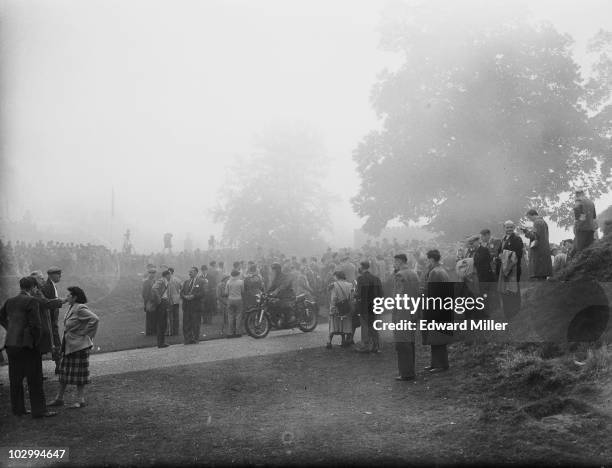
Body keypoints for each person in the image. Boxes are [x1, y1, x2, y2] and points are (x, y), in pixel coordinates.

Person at [0, 277, 57, 418]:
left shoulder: (10, 301)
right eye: (36, 288)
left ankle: (18, 410)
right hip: (28, 345)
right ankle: (39, 411)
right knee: (35, 379)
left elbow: (0, 317)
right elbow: (36, 326)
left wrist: (11, 329)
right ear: (33, 287)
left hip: (12, 344)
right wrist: (36, 341)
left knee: (16, 378)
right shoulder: (32, 301)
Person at [48, 286, 99, 409]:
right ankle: (59, 398)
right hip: (69, 345)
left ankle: (80, 400)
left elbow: (95, 319)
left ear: (75, 297)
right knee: (64, 371)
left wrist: (84, 333)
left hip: (79, 346)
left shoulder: (80, 308)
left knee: (79, 374)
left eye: (68, 296)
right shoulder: (72, 307)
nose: (66, 298)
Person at [422, 249, 453, 373]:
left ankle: (440, 365)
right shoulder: (442, 270)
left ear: (431, 259)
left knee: (437, 338)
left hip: (436, 308)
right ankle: (436, 363)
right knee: (436, 338)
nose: (426, 262)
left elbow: (432, 293)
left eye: (427, 260)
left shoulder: (435, 272)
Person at [30, 271, 65, 378]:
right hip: (43, 324)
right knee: (40, 348)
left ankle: (40, 373)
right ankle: (37, 374)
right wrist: (62, 301)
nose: (43, 280)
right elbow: (47, 303)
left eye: (42, 278)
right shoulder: (37, 292)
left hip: (48, 323)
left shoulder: (40, 290)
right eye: (40, 278)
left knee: (43, 348)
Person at [392, 254, 420, 381]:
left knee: (402, 343)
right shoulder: (414, 274)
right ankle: (410, 370)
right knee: (410, 341)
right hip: (413, 310)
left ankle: (406, 373)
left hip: (402, 312)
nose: (394, 264)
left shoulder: (400, 275)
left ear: (400, 261)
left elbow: (398, 296)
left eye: (395, 262)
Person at [354, 260, 384, 353]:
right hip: (375, 305)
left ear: (362, 268)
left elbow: (359, 294)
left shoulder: (360, 279)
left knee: (365, 326)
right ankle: (376, 346)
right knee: (373, 326)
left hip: (364, 306)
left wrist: (354, 294)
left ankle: (366, 346)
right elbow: (381, 294)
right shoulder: (376, 278)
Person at [497, 221, 524, 318]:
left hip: (513, 268)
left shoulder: (517, 239)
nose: (509, 229)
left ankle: (515, 311)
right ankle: (507, 311)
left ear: (514, 228)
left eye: (511, 227)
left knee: (513, 290)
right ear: (504, 228)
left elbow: (518, 254)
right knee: (505, 290)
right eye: (507, 227)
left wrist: (504, 255)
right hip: (504, 269)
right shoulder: (503, 239)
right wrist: (500, 256)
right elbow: (499, 251)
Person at [40, 266, 63, 374]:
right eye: (58, 274)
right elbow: (47, 304)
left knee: (55, 341)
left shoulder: (52, 285)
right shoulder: (47, 286)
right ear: (51, 275)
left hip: (53, 320)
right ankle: (59, 365)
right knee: (54, 341)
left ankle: (59, 365)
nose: (60, 276)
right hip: (50, 320)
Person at [521, 209, 552, 280]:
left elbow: (534, 236)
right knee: (543, 275)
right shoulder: (543, 222)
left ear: (533, 215)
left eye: (529, 217)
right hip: (543, 250)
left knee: (540, 275)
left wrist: (526, 232)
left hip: (538, 252)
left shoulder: (537, 222)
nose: (529, 220)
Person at [326, 271, 353, 348]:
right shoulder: (350, 284)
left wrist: (332, 308)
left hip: (337, 308)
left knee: (333, 325)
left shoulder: (334, 285)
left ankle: (329, 342)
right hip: (346, 308)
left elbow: (334, 298)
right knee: (344, 324)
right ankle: (343, 341)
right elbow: (351, 297)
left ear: (337, 276)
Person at [181, 267, 206, 344]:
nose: (189, 273)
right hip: (187, 306)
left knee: (195, 323)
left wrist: (194, 296)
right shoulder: (186, 282)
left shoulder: (201, 281)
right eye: (189, 272)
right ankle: (187, 339)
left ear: (196, 272)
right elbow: (181, 292)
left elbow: (203, 293)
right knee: (186, 323)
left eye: (191, 272)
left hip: (196, 306)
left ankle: (195, 338)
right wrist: (184, 296)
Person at [151, 270, 171, 348]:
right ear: (167, 275)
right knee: (161, 323)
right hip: (162, 302)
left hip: (164, 302)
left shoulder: (165, 281)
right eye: (169, 275)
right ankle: (160, 343)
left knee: (164, 323)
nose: (170, 276)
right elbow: (154, 288)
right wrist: (159, 298)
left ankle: (162, 342)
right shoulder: (161, 280)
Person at [225, 270, 245, 337]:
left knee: (230, 316)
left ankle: (230, 332)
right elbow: (243, 291)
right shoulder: (241, 282)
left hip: (230, 299)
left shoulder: (228, 282)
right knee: (238, 316)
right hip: (238, 299)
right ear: (237, 275)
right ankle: (238, 332)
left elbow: (226, 293)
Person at [142, 267, 157, 336]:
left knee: (155, 316)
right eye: (151, 273)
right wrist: (146, 303)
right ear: (149, 274)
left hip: (155, 301)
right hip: (149, 301)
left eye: (153, 273)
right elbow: (144, 293)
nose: (152, 274)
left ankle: (154, 331)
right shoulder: (146, 282)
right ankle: (149, 331)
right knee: (149, 316)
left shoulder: (156, 281)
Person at [167, 268, 182, 336]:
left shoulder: (168, 280)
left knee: (170, 316)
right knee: (176, 316)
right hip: (176, 299)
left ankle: (171, 331)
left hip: (170, 300)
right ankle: (176, 331)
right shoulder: (178, 279)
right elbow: (182, 288)